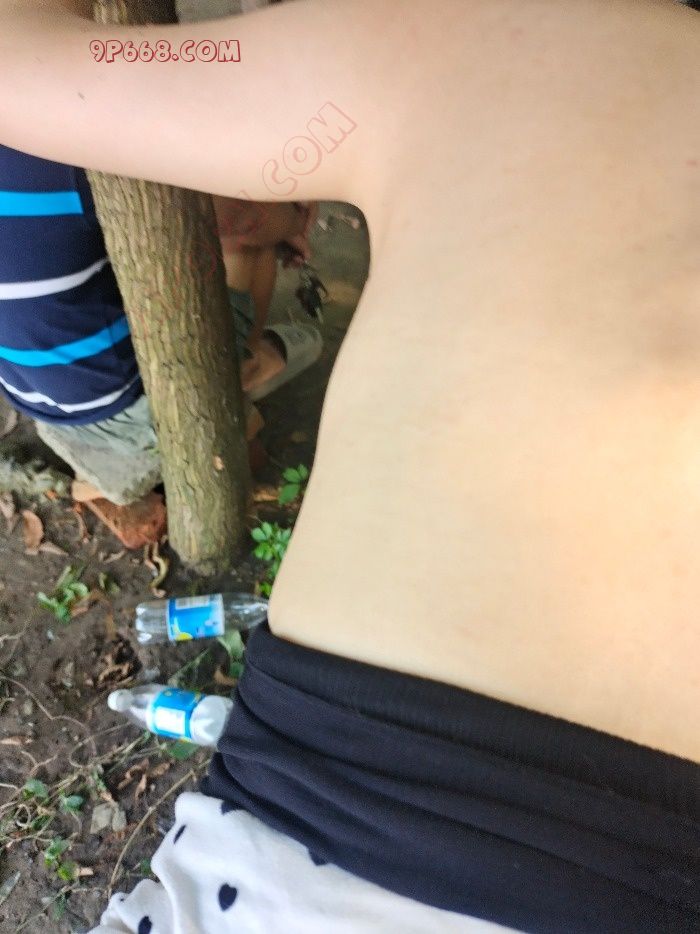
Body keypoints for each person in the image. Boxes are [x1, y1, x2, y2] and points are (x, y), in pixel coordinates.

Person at [0, 0, 698, 931]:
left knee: (268, 310)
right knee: (278, 324)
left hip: (332, 842)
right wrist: (262, 234)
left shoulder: (497, 44)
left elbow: (26, 64)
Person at [0, 144, 320, 518]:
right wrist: (292, 222)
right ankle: (241, 366)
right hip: (123, 399)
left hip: (25, 387)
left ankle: (245, 360)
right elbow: (245, 219)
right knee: (243, 241)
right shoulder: (67, 151)